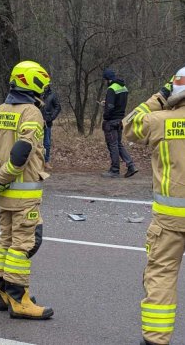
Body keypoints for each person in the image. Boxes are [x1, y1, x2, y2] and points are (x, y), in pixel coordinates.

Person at [0, 60, 54, 320]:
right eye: (42, 84)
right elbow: (23, 150)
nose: (44, 90)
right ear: (32, 82)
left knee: (6, 241)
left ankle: (3, 293)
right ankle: (19, 299)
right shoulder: (31, 112)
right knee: (25, 243)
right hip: (23, 194)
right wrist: (3, 175)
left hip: (5, 194)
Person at [123, 69, 185, 345]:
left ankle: (155, 340)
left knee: (161, 276)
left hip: (169, 221)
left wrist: (159, 97)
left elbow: (128, 125)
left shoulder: (158, 121)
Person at [102, 68, 138, 178]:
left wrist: (105, 116)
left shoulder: (111, 89)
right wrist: (108, 102)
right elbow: (118, 103)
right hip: (121, 120)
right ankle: (131, 166)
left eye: (104, 80)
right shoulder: (124, 87)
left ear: (108, 79)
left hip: (111, 121)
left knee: (113, 145)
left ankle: (114, 170)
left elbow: (110, 107)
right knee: (118, 144)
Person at [41, 84, 61, 170]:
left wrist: (50, 118)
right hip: (35, 122)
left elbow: (58, 107)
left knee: (47, 143)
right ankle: (36, 162)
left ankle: (46, 162)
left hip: (47, 123)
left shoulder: (52, 95)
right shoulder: (35, 94)